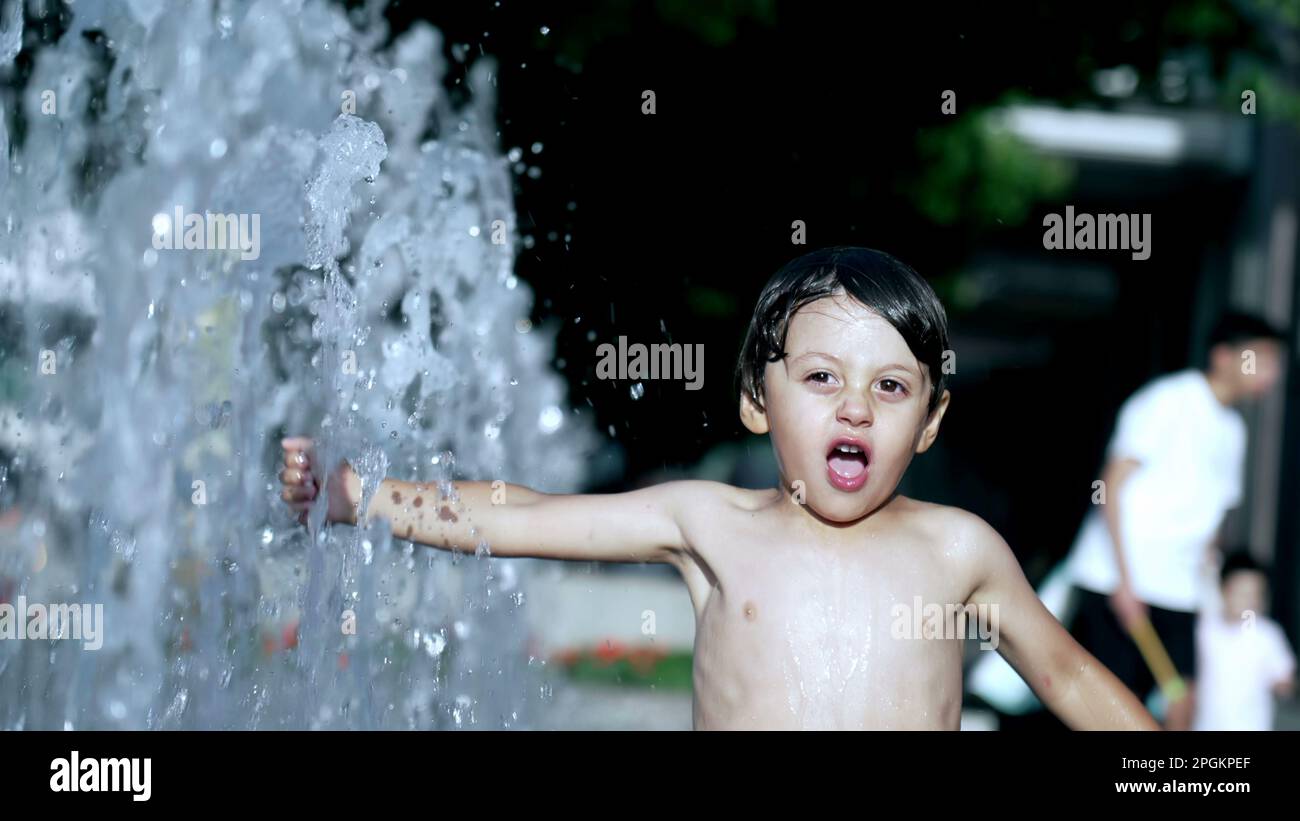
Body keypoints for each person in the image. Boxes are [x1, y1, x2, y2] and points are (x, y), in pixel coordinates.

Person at [280, 246, 1156, 730]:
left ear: (928, 421)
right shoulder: (707, 520)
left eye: (890, 388)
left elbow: (1071, 676)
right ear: (753, 402)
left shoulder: (957, 549)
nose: (855, 405)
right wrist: (361, 491)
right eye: (820, 379)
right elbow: (528, 515)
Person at [1066, 311, 1286, 729]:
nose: (1271, 374)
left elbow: (1214, 519)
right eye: (1262, 359)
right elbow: (1111, 486)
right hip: (1118, 583)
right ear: (1223, 357)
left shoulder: (1234, 430)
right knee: (1110, 710)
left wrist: (1211, 589)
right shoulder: (1167, 400)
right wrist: (1124, 582)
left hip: (1180, 591)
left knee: (1182, 704)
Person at [1193, 551, 1296, 730]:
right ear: (1224, 591)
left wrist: (1285, 685)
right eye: (1241, 593)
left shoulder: (1267, 635)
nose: (1248, 601)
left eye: (1255, 594)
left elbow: (1285, 678)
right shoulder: (1207, 626)